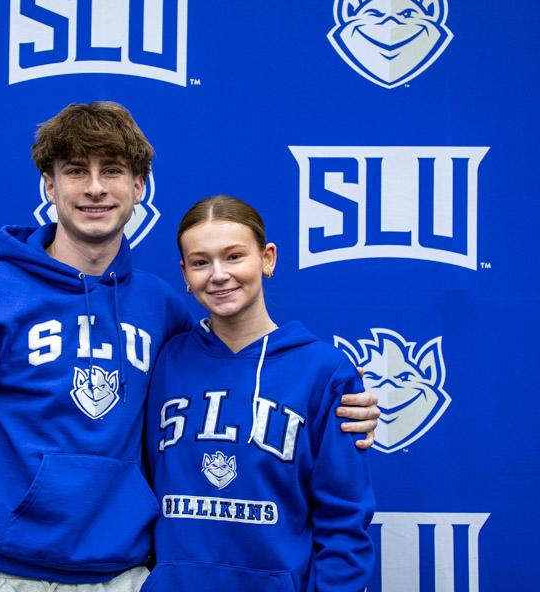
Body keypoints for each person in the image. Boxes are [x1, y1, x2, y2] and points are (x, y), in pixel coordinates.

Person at [0, 103, 379, 592]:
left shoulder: (160, 306)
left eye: (112, 171)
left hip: (120, 576)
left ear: (139, 187)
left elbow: (228, 368)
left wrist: (340, 408)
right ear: (49, 186)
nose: (95, 188)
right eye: (75, 171)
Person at [142, 195, 374, 592]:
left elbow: (344, 520)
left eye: (234, 257)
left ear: (267, 258)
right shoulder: (163, 362)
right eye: (201, 262)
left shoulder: (323, 371)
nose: (218, 275)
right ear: (185, 273)